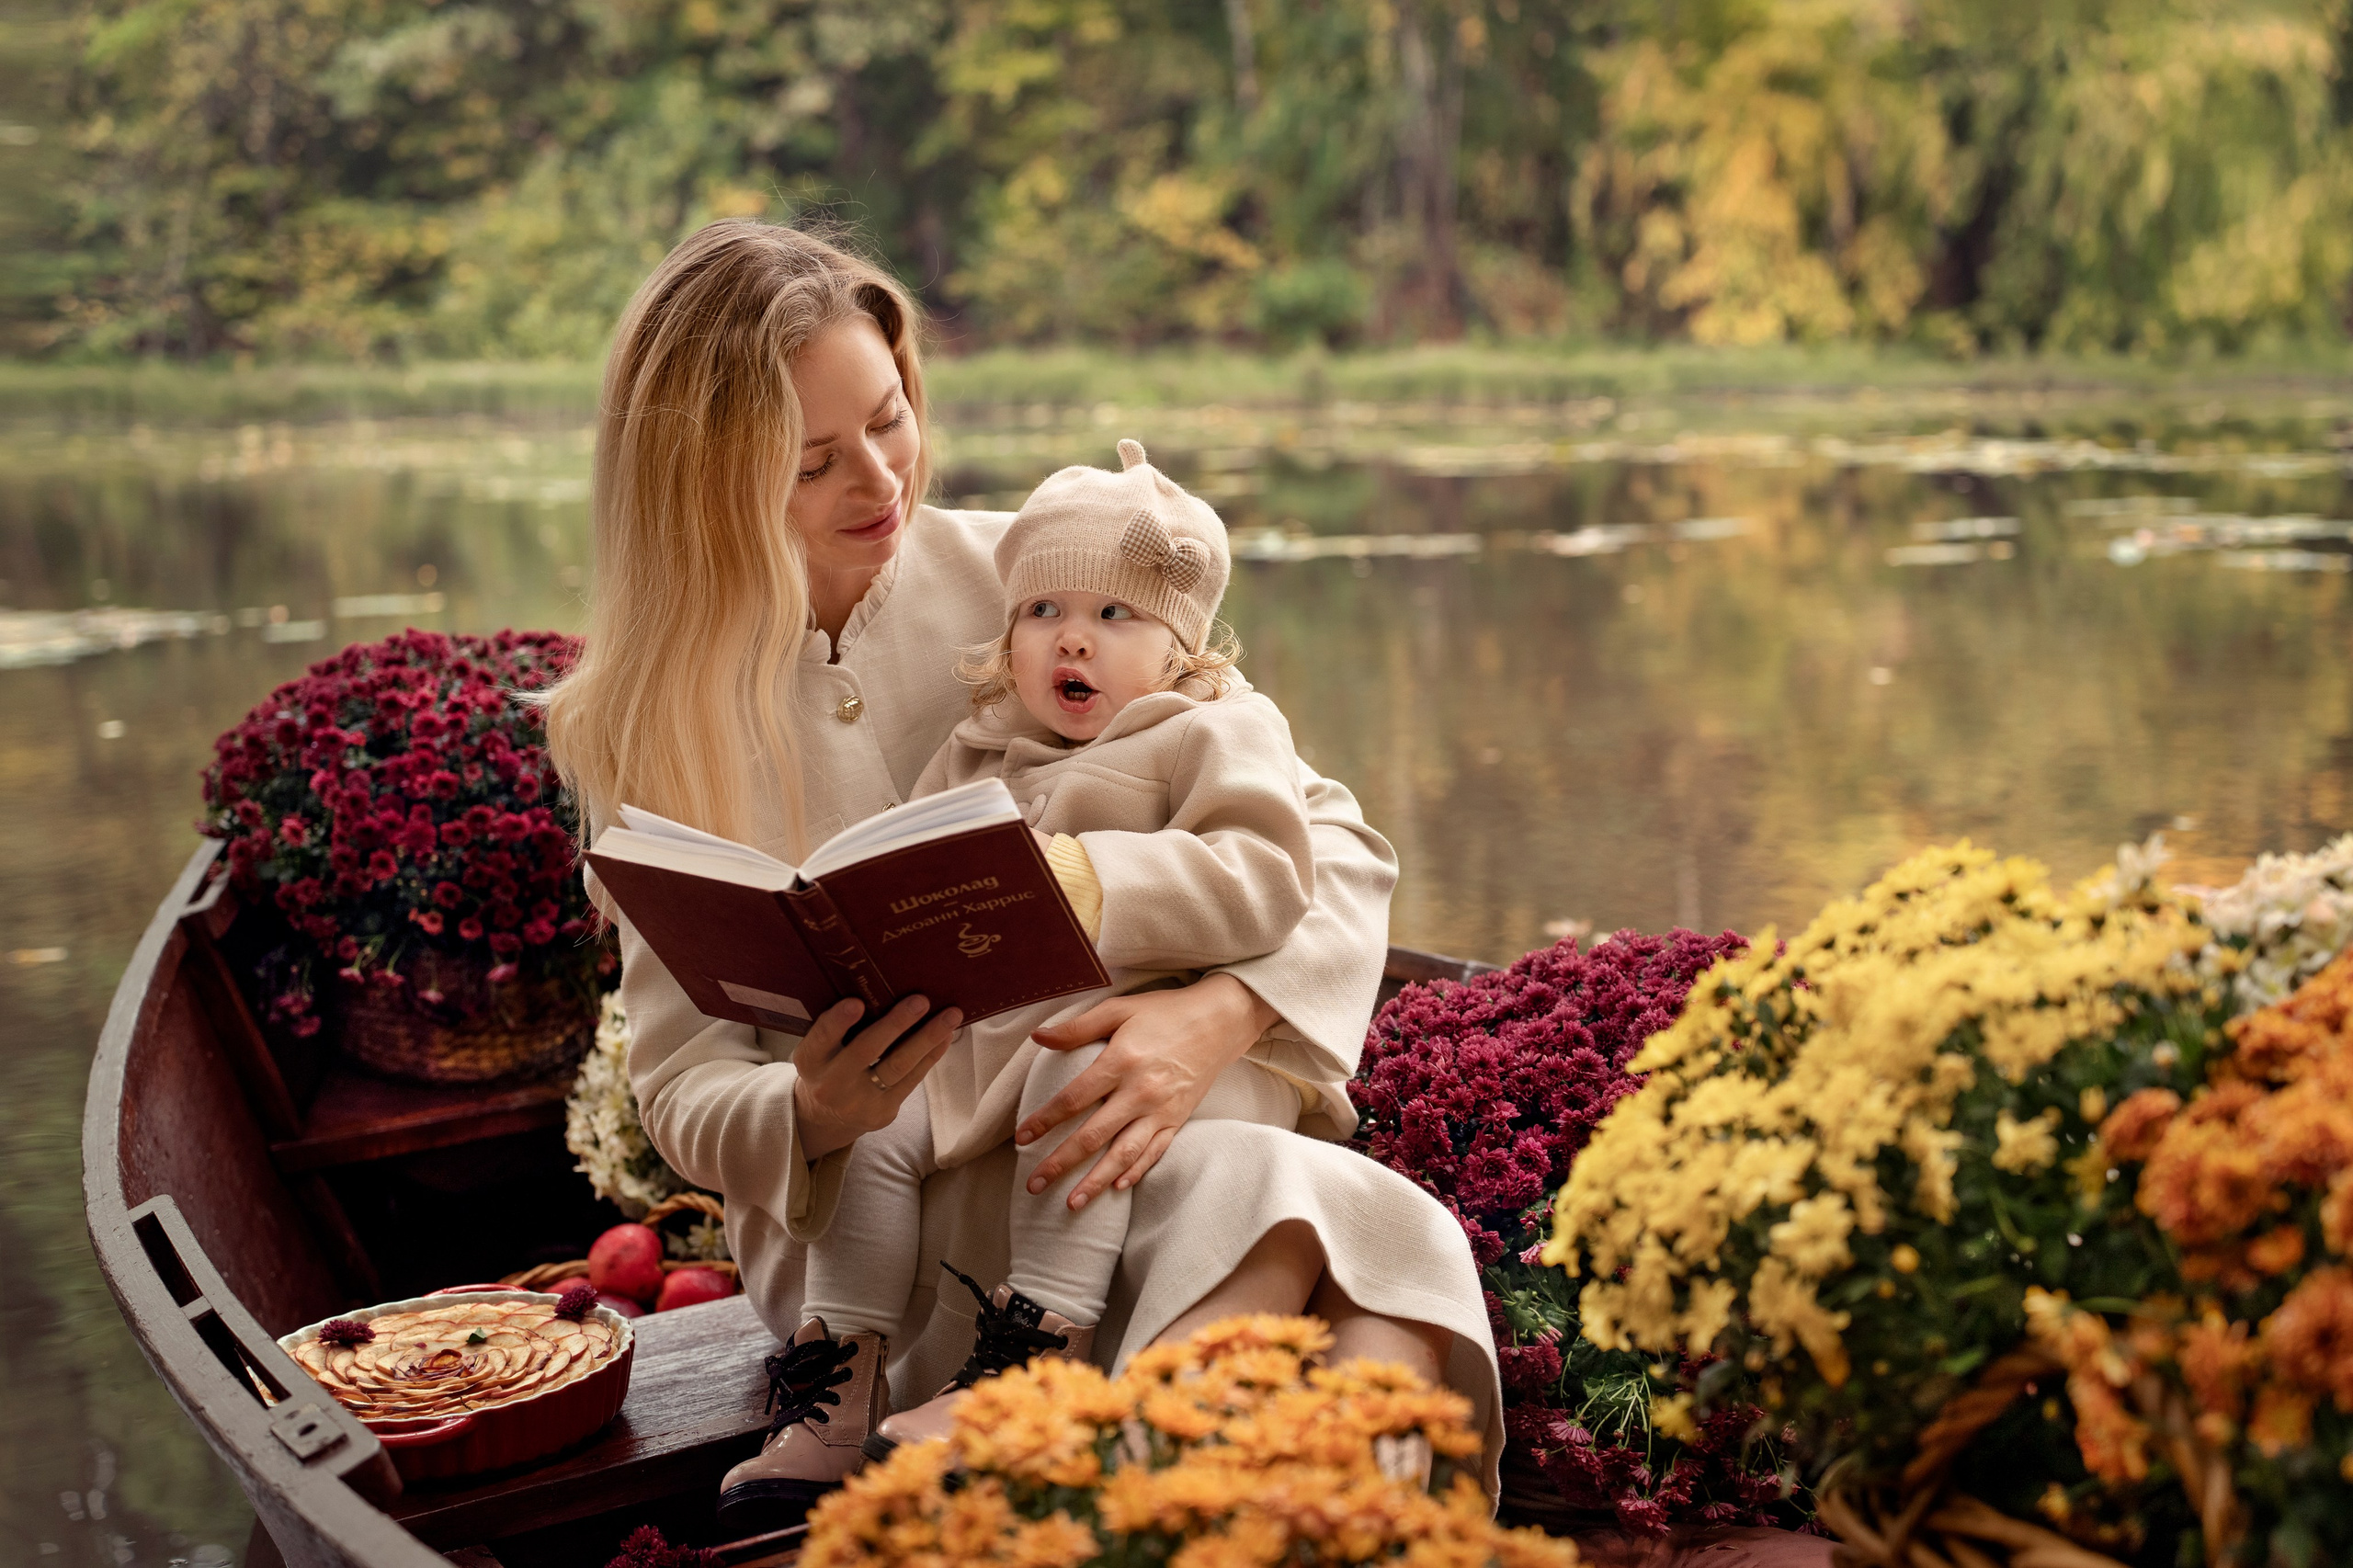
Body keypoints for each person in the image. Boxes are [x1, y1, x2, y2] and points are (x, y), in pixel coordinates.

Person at [545, 219, 1496, 1538]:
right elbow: (683, 1090)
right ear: (706, 485)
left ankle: (1305, 1532)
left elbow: (1327, 838)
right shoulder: (652, 724)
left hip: (1089, 1128)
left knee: (1368, 1250)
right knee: (1323, 1219)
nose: (880, 477)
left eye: (891, 417)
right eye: (813, 462)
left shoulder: (1043, 580)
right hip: (869, 1241)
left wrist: (1217, 1016)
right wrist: (811, 1108)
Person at [786, 436, 1358, 1501]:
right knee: (881, 1109)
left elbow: (1268, 874)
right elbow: (920, 868)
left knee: (1077, 1066)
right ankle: (839, 1368)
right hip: (999, 1030)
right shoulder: (980, 745)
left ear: (1180, 641)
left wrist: (1091, 878)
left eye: (1114, 615)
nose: (1071, 641)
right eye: (1042, 614)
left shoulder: (1213, 728)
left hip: (1159, 1034)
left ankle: (1034, 1346)